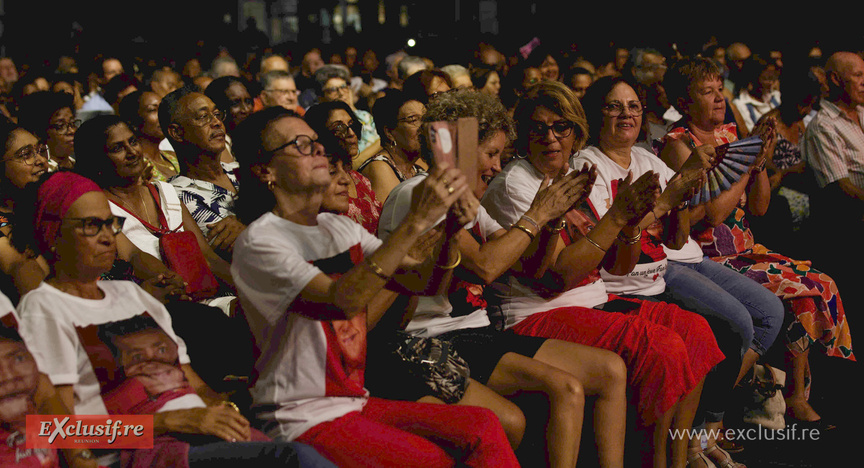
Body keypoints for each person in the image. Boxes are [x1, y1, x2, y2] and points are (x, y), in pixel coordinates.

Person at [229, 106, 519, 467]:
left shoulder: (338, 228)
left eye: (317, 143)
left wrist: (447, 233)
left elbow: (421, 281)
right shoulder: (261, 241)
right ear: (264, 170)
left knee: (483, 425)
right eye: (302, 145)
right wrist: (414, 221)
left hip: (354, 401)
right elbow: (342, 301)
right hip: (298, 418)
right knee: (430, 460)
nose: (319, 151)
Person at [377, 88, 629, 468]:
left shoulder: (470, 201)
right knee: (565, 389)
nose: (496, 167)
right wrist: (537, 216)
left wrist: (554, 219)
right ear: (460, 150)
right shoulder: (420, 194)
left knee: (609, 370)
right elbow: (485, 265)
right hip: (429, 337)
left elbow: (529, 266)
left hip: (476, 330)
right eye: (491, 154)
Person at [13, 171, 333, 468]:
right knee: (294, 458)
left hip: (197, 431)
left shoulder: (131, 295)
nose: (109, 237)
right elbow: (55, 431)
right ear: (53, 234)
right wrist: (168, 422)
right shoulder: (44, 307)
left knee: (311, 423)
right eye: (91, 226)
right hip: (140, 451)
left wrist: (226, 408)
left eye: (111, 224)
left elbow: (192, 383)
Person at [481, 80, 725, 468]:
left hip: (593, 301)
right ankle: (655, 462)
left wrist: (629, 224)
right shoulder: (517, 182)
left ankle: (677, 460)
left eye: (560, 127)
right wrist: (617, 217)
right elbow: (555, 279)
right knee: (662, 347)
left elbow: (617, 265)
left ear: (575, 132)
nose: (550, 138)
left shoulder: (574, 174)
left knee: (696, 332)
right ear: (523, 136)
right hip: (536, 314)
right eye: (538, 128)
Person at [576, 76, 786, 467]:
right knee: (732, 324)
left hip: (664, 264)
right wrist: (668, 200)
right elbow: (612, 243)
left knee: (765, 313)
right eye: (614, 106)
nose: (627, 114)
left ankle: (700, 435)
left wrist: (683, 198)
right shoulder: (587, 165)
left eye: (634, 106)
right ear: (595, 113)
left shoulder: (646, 159)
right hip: (628, 281)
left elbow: (675, 238)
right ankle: (697, 438)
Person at [662, 56, 853, 433]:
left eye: (721, 89)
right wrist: (747, 165)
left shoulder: (732, 135)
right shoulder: (678, 144)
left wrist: (759, 162)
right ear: (685, 103)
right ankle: (751, 398)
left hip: (747, 248)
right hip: (711, 255)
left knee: (818, 284)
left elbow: (761, 207)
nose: (719, 98)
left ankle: (790, 396)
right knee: (806, 286)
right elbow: (714, 214)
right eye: (707, 92)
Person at [158, 85, 245, 259]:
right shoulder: (175, 196)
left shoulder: (240, 170)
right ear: (176, 132)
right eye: (204, 117)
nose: (217, 123)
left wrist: (246, 223)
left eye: (217, 114)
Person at [305, 101, 383, 234]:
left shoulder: (360, 180)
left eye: (352, 125)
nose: (351, 133)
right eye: (339, 128)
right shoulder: (318, 181)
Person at [313, 65, 380, 155]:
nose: (341, 93)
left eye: (344, 86)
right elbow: (354, 162)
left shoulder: (364, 115)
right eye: (332, 90)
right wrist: (382, 142)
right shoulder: (324, 124)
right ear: (321, 97)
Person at [118, 90, 181, 182]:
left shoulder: (174, 156)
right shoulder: (134, 166)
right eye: (152, 110)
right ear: (133, 121)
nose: (162, 115)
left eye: (162, 110)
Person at [16, 91, 80, 170]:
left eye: (72, 123)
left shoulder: (79, 164)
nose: (71, 131)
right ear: (39, 133)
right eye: (60, 126)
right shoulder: (41, 172)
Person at [732, 55, 781, 133]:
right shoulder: (741, 104)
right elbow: (751, 135)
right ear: (753, 78)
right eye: (766, 79)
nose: (771, 83)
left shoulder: (776, 96)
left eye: (772, 78)